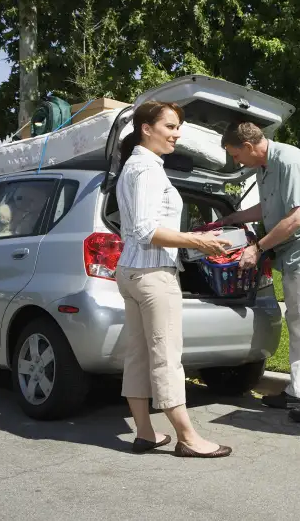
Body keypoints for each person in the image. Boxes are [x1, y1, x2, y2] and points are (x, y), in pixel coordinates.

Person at [115, 100, 234, 458]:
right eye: (169, 127)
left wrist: (194, 238)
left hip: (131, 272)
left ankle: (146, 433)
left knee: (138, 355)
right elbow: (147, 230)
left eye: (178, 127)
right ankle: (187, 437)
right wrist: (200, 241)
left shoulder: (133, 167)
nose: (177, 134)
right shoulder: (147, 170)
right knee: (167, 356)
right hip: (153, 273)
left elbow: (142, 228)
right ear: (146, 128)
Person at [220, 121, 300, 423]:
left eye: (236, 155)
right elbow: (267, 207)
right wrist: (233, 217)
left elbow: (296, 218)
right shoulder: (263, 168)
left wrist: (257, 247)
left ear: (248, 147)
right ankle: (299, 391)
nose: (237, 162)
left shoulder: (289, 160)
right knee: (298, 323)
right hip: (292, 257)